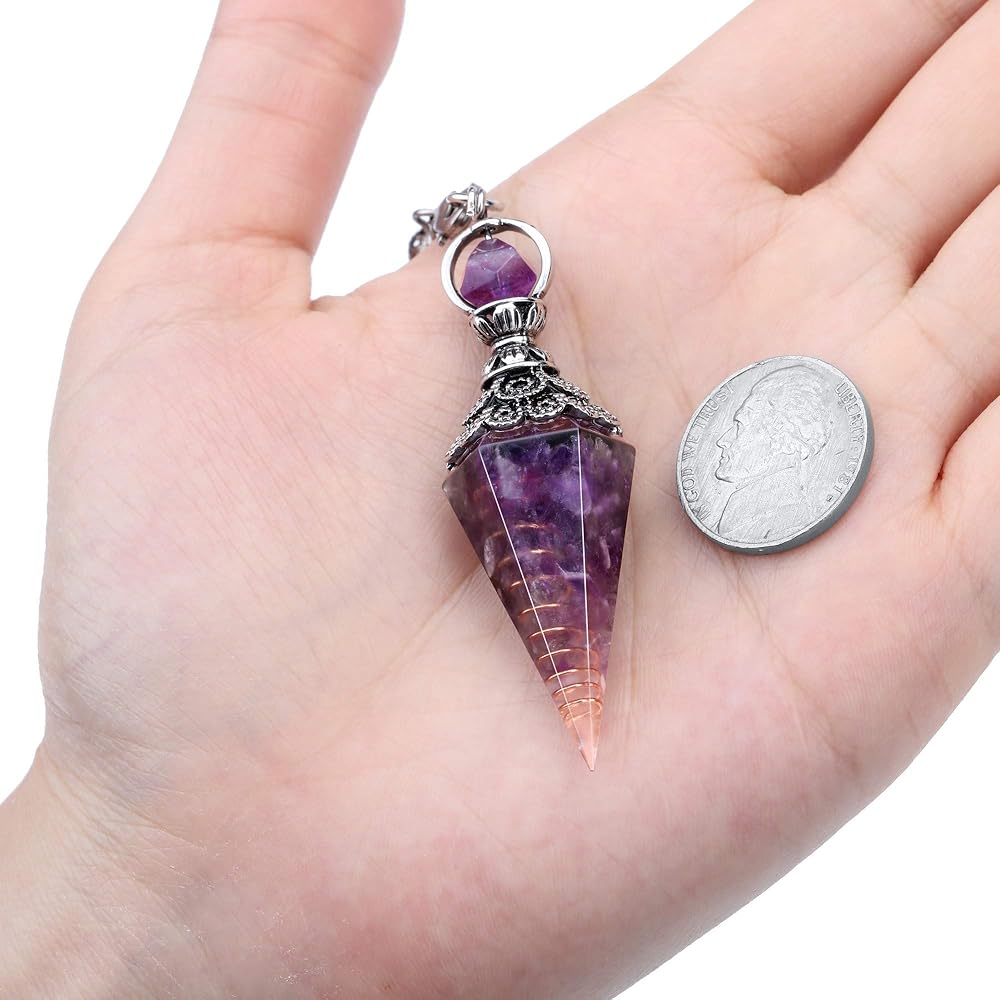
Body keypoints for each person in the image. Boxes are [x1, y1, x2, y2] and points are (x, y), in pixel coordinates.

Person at [3, 0, 1000, 996]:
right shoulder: (539, 446)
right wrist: (125, 856)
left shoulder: (527, 443)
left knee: (579, 671)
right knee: (577, 673)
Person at [714, 365, 834, 543]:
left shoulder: (784, 522)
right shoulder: (742, 516)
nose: (722, 440)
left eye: (740, 425)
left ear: (782, 435)